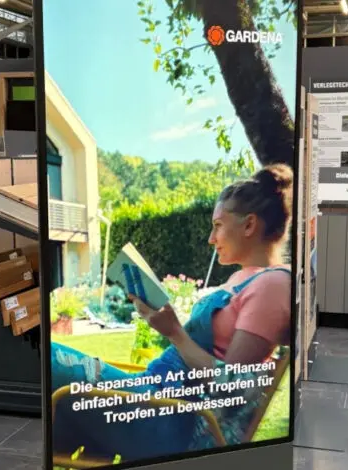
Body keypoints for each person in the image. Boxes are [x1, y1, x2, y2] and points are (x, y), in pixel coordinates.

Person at [50, 163, 294, 462]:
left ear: (249, 225)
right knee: (52, 403)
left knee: (46, 358)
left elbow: (231, 390)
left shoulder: (273, 285)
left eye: (218, 225)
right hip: (155, 397)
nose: (211, 238)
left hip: (172, 420)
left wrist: (175, 333)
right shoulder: (244, 278)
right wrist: (165, 323)